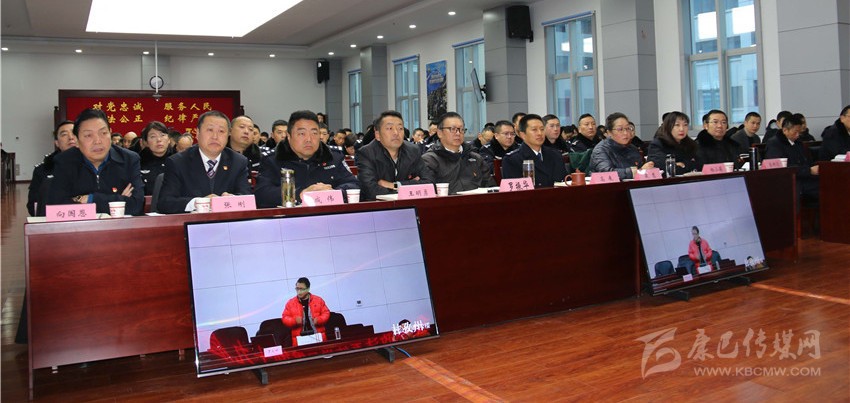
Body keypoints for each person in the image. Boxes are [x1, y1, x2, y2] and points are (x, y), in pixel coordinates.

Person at [46, 108, 144, 215]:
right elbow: (58, 209)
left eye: (103, 133)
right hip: (81, 226)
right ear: (77, 140)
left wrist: (89, 199)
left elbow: (136, 206)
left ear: (110, 133)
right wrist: (118, 201)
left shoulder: (129, 159)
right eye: (88, 135)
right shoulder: (64, 161)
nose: (98, 141)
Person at [254, 110, 358, 207]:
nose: (309, 139)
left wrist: (333, 193)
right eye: (302, 134)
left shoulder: (333, 157)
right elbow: (261, 195)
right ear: (289, 136)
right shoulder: (272, 160)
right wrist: (299, 194)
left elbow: (354, 185)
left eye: (314, 133)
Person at [157, 110, 251, 213]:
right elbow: (165, 202)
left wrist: (231, 200)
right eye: (210, 130)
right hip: (191, 221)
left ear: (228, 135)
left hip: (227, 221)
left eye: (221, 131)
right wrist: (198, 203)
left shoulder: (238, 162)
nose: (215, 136)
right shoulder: (177, 162)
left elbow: (247, 198)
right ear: (197, 133)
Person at [355, 110, 433, 201]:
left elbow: (429, 183)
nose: (396, 132)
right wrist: (411, 185)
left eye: (400, 128)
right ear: (378, 135)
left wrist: (395, 185)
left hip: (410, 205)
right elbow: (371, 191)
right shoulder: (366, 153)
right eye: (389, 128)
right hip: (379, 207)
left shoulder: (413, 150)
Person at [421, 112, 492, 194]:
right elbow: (428, 192)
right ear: (440, 133)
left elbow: (490, 187)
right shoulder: (430, 160)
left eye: (461, 129)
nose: (458, 133)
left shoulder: (475, 158)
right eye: (452, 129)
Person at [502, 114, 568, 187]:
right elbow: (515, 191)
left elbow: (564, 182)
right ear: (523, 135)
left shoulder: (556, 155)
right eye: (534, 130)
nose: (540, 133)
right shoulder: (512, 160)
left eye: (542, 129)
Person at [764, 114, 819, 200]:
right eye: (795, 132)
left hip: (804, 177)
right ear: (785, 130)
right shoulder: (774, 144)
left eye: (799, 132)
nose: (797, 135)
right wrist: (809, 170)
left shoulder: (798, 143)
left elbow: (807, 161)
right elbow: (783, 168)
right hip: (790, 182)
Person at [27, 120, 76, 216]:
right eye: (64, 134)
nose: (71, 137)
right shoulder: (43, 169)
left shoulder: (94, 165)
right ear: (57, 143)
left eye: (74, 133)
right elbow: (33, 206)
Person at [589, 112, 653, 179]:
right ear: (609, 132)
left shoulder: (632, 148)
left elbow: (639, 170)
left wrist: (645, 170)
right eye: (620, 129)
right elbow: (606, 173)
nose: (625, 133)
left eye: (628, 128)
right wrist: (632, 172)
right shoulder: (601, 150)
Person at [647, 111, 699, 176]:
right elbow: (665, 169)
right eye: (677, 125)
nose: (682, 129)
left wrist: (682, 165)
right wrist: (684, 165)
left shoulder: (691, 144)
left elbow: (699, 165)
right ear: (668, 127)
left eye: (685, 125)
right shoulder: (658, 144)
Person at [281, 277, 330, 346]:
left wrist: (319, 320)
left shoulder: (318, 300)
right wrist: (294, 321)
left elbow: (326, 313)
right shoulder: (290, 303)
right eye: (297, 289)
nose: (299, 291)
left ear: (308, 289)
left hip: (317, 336)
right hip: (300, 339)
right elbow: (284, 318)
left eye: (302, 289)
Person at [139, 121, 174, 195]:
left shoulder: (178, 161)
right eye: (153, 136)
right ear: (146, 142)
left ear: (169, 140)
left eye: (162, 135)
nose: (159, 140)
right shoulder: (138, 162)